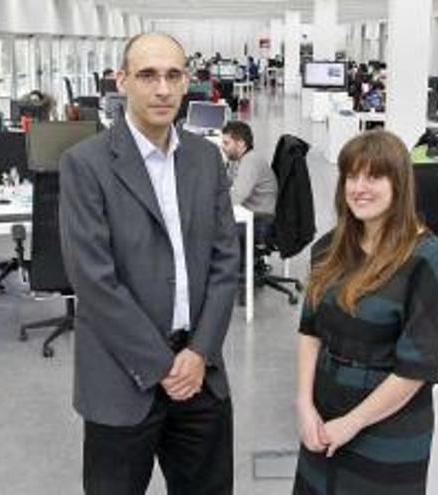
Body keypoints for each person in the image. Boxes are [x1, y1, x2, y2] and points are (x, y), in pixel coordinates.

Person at [59, 32, 240, 495]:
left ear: (186, 82)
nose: (162, 89)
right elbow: (94, 282)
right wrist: (164, 366)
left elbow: (225, 263)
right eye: (147, 75)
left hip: (202, 374)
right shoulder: (86, 164)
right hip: (123, 379)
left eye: (173, 75)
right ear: (122, 81)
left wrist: (198, 354)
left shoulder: (206, 158)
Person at [294, 130, 438, 494]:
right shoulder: (330, 247)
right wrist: (304, 404)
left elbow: (415, 369)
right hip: (323, 417)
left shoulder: (427, 261)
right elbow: (310, 330)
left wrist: (352, 423)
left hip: (387, 431)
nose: (359, 188)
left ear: (399, 184)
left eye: (374, 176)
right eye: (352, 176)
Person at [221, 120, 277, 216]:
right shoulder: (238, 158)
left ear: (241, 143)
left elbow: (236, 198)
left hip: (260, 218)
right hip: (250, 210)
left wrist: (209, 203)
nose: (222, 147)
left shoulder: (250, 162)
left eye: (226, 143)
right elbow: (228, 182)